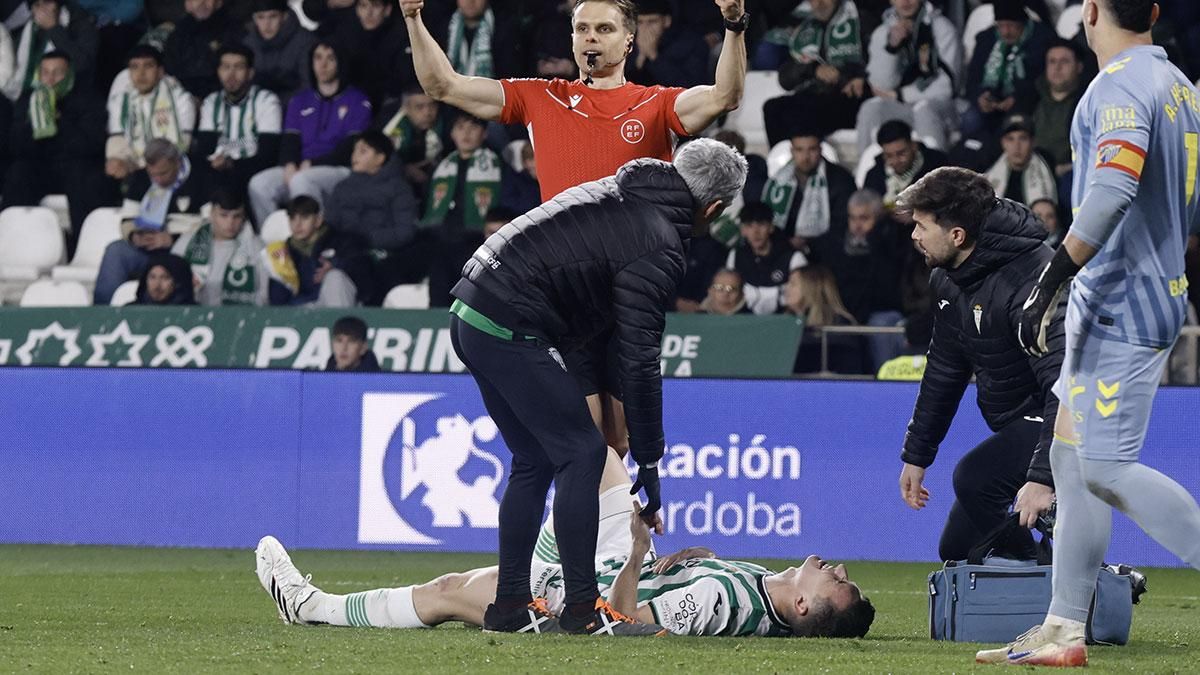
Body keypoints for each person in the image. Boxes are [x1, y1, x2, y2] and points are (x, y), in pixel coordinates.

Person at [402, 0, 747, 457]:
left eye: (603, 28)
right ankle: (578, 529)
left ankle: (594, 528)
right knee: (584, 443)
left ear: (628, 39)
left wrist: (734, 24)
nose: (590, 37)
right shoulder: (540, 97)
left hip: (629, 295)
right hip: (566, 295)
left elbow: (726, 96)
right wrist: (412, 17)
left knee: (617, 442)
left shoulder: (656, 103)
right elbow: (442, 85)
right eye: (581, 28)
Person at [446, 139, 747, 635]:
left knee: (537, 457)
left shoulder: (622, 187)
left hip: (473, 308)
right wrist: (649, 461)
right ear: (713, 208)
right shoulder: (660, 243)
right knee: (583, 454)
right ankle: (584, 610)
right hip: (510, 319)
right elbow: (640, 358)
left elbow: (601, 323)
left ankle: (509, 606)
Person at [983, 0, 1200, 666]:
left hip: (1119, 305)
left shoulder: (1120, 84)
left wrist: (1049, 281)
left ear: (1091, 10)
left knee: (1104, 467)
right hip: (1149, 288)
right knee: (1072, 468)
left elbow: (1112, 187)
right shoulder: (1180, 86)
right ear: (1155, 11)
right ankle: (1063, 627)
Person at [255, 448, 875, 637]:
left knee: (448, 592)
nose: (838, 567)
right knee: (596, 456)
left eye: (838, 582)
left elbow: (628, 621)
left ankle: (311, 607)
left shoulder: (722, 605)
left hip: (582, 606)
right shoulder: (757, 585)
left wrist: (637, 555)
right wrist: (668, 562)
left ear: (803, 607)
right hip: (611, 566)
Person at [895, 166, 1061, 564]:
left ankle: (1051, 574)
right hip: (1019, 421)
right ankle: (1044, 567)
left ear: (957, 235)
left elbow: (1064, 385)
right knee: (958, 550)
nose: (914, 236)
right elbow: (945, 369)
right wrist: (918, 453)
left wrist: (1042, 475)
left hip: (1067, 420)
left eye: (921, 226)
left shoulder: (1034, 279)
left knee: (974, 477)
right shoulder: (948, 276)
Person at [247, 40, 371, 225]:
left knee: (301, 181)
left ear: (340, 63)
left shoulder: (358, 101)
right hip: (301, 168)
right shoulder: (300, 100)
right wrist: (289, 164)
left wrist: (312, 164)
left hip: (339, 169)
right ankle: (276, 245)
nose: (323, 64)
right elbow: (290, 139)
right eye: (318, 58)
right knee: (259, 184)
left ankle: (312, 241)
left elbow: (349, 149)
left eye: (330, 58)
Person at [1, 50, 112, 255]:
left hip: (75, 166)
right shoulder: (29, 100)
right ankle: (11, 247)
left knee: (85, 179)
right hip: (41, 166)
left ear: (69, 74)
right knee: (18, 173)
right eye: (45, 72)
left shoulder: (88, 98)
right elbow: (16, 145)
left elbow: (91, 144)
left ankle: (82, 248)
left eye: (57, 73)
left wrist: (59, 121)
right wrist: (38, 124)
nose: (50, 79)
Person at [94, 138, 204, 303]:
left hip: (185, 251)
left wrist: (173, 239)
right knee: (116, 251)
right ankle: (101, 315)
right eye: (152, 174)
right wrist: (135, 236)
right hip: (149, 251)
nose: (157, 180)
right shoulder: (141, 179)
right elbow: (127, 220)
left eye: (163, 173)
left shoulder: (203, 177)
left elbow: (211, 227)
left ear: (177, 162)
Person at [324, 130, 421, 301]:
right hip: (346, 253)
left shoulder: (399, 188)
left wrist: (368, 238)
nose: (355, 156)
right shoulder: (342, 188)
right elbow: (330, 225)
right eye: (355, 150)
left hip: (384, 256)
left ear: (380, 158)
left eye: (363, 151)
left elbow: (404, 231)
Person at [855, 0, 961, 155]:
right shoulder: (883, 32)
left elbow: (948, 86)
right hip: (902, 105)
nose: (905, 1)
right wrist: (892, 48)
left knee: (923, 109)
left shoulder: (942, 28)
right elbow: (880, 85)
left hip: (941, 105)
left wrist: (902, 95)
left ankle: (935, 175)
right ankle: (866, 173)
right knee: (870, 108)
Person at [759, 0, 868, 148]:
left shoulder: (860, 19)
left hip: (850, 96)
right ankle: (782, 161)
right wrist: (814, 70)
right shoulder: (804, 27)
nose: (819, 4)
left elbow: (876, 62)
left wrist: (856, 75)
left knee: (802, 112)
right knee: (772, 108)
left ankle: (807, 162)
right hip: (815, 95)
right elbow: (785, 79)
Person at [828, 190, 906, 370]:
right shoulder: (838, 245)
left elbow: (890, 289)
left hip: (884, 311)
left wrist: (875, 241)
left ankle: (884, 381)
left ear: (878, 218)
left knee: (881, 323)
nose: (857, 225)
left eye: (864, 218)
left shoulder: (893, 243)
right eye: (852, 218)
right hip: (850, 311)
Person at [192, 45, 282, 202]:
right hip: (217, 171)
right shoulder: (212, 102)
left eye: (238, 67)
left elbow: (268, 156)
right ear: (219, 71)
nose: (231, 74)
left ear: (250, 73)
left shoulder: (267, 100)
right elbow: (205, 149)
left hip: (252, 169)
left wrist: (231, 164)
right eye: (225, 67)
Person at [105, 45, 195, 185]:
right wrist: (119, 161)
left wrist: (150, 166)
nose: (141, 73)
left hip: (170, 167)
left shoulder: (180, 99)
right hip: (133, 168)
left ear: (160, 72)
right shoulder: (120, 102)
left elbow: (183, 144)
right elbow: (117, 142)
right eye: (134, 67)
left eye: (148, 66)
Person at [962, 0, 1053, 138]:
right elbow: (973, 79)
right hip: (990, 105)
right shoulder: (986, 40)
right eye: (1001, 26)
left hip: (1026, 102)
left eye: (1011, 26)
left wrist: (1017, 99)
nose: (1005, 32)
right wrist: (981, 96)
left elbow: (1043, 80)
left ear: (1022, 23)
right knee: (971, 119)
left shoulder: (1041, 40)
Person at [762, 128, 856, 258]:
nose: (805, 157)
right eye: (799, 150)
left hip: (828, 254)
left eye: (812, 149)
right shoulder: (779, 180)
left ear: (820, 150)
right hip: (783, 253)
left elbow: (844, 227)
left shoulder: (841, 180)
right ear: (792, 151)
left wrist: (808, 243)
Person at [263, 194, 372, 307]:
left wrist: (336, 265)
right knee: (268, 262)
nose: (297, 224)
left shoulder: (341, 241)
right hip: (302, 310)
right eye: (292, 218)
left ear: (318, 220)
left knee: (334, 277)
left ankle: (341, 325)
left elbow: (364, 278)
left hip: (338, 305)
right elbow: (277, 301)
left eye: (304, 217)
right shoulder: (284, 252)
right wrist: (281, 272)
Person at [170, 188, 268, 306]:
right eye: (223, 215)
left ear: (243, 217)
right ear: (212, 214)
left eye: (236, 216)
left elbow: (264, 293)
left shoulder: (257, 247)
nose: (230, 223)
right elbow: (170, 280)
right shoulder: (187, 242)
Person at [2, 0, 98, 101]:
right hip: (24, 96)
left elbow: (82, 65)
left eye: (47, 2)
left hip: (70, 97)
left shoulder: (80, 23)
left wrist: (53, 28)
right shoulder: (28, 30)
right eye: (37, 5)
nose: (42, 9)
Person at [727, 201, 806, 315]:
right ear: (743, 230)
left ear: (771, 227)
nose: (756, 232)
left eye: (761, 224)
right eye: (749, 226)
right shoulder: (735, 256)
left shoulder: (793, 257)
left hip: (783, 321)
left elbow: (805, 296)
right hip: (743, 321)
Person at [782, 265, 863, 374]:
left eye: (793, 284)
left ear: (811, 288)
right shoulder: (782, 324)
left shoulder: (839, 324)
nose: (786, 288)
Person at [162, 0, 243, 99]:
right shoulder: (178, 33)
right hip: (183, 98)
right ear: (188, 4)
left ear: (219, 2)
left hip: (222, 98)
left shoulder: (234, 30)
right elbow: (170, 71)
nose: (201, 3)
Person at [863, 120, 947, 212]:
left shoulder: (937, 167)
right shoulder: (874, 176)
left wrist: (918, 213)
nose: (895, 161)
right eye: (889, 156)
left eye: (901, 153)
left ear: (913, 146)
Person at [1032, 39, 1085, 179]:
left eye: (1065, 61)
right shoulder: (1031, 98)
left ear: (1079, 67)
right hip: (1031, 170)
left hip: (1070, 173)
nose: (1057, 67)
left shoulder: (1087, 102)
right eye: (1052, 61)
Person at [625, 0, 709, 88]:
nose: (645, 29)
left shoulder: (691, 44)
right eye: (640, 22)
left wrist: (654, 57)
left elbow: (691, 87)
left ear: (666, 21)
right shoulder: (630, 43)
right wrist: (639, 59)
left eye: (652, 21)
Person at [243, 0, 316, 102]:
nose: (267, 24)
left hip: (295, 109)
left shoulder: (305, 42)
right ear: (254, 19)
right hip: (257, 110)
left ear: (284, 17)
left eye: (273, 16)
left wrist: (273, 105)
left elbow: (309, 86)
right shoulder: (248, 45)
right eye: (260, 17)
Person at [985, 113, 1058, 207]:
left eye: (1023, 138)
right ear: (1003, 143)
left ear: (1033, 142)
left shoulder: (1046, 168)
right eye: (1010, 139)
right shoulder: (990, 167)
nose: (1017, 146)